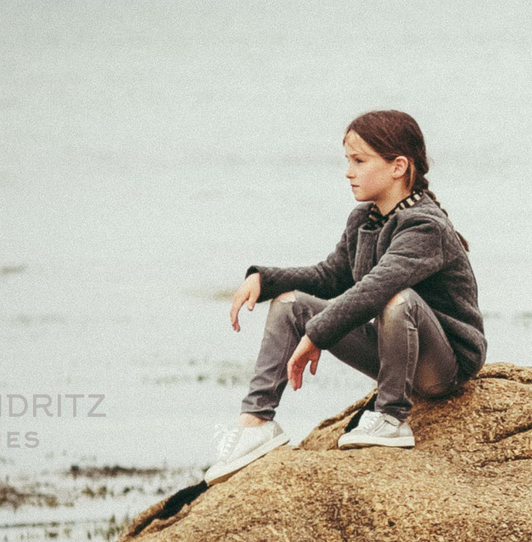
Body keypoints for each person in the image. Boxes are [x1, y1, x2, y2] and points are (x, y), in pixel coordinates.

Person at [207, 110, 485, 482]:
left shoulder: (425, 226)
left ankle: (391, 417)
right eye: (347, 161)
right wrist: (265, 279)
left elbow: (376, 288)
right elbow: (330, 277)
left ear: (398, 166)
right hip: (398, 350)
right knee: (291, 304)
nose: (348, 171)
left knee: (395, 297)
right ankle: (256, 422)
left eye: (359, 161)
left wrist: (317, 335)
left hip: (444, 365)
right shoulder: (364, 221)